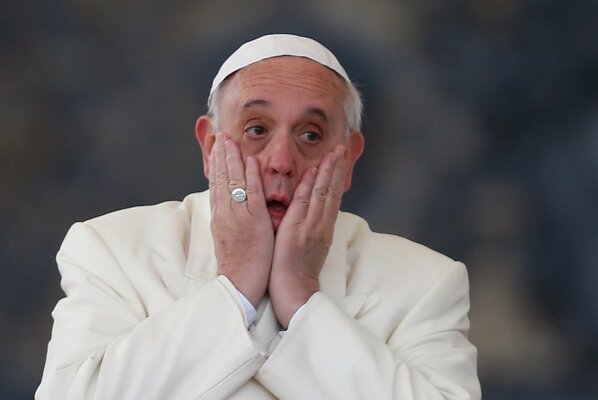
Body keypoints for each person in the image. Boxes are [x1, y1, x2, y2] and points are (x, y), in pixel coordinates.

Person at [36, 34, 480, 399]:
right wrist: (235, 288)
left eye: (311, 134)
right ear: (211, 147)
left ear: (347, 160)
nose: (281, 161)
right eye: (257, 130)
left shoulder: (425, 283)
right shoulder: (110, 250)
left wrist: (302, 300)